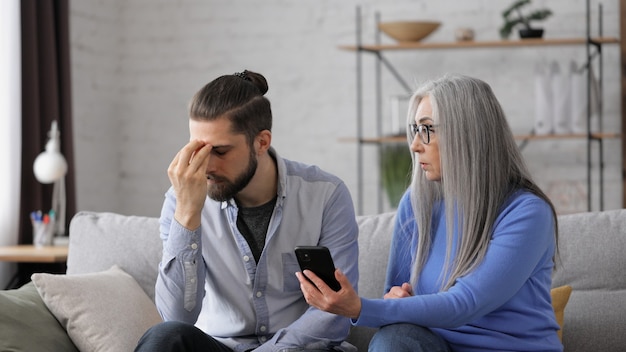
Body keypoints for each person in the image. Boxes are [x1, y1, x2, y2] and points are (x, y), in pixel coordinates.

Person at [296, 74, 563, 352]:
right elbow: (396, 304)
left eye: (427, 130)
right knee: (392, 341)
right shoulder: (417, 203)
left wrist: (359, 307)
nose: (414, 145)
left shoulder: (527, 213)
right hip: (432, 345)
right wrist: (396, 298)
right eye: (415, 130)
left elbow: (466, 303)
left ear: (467, 135)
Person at [135, 70, 359, 352]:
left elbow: (335, 314)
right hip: (220, 346)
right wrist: (188, 214)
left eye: (220, 151)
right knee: (165, 338)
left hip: (296, 350)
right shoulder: (180, 200)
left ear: (262, 142)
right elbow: (177, 316)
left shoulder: (326, 196)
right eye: (199, 150)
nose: (207, 166)